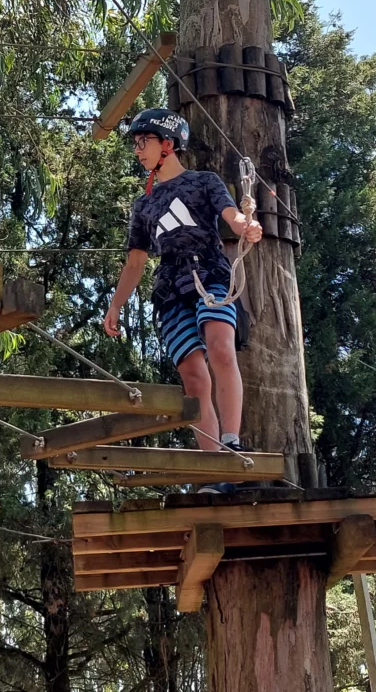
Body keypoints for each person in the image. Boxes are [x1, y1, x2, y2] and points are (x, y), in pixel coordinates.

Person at [102, 109, 262, 494]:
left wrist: (246, 225)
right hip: (170, 290)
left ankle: (232, 440)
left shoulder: (204, 182)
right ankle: (212, 468)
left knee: (221, 347)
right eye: (136, 144)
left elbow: (231, 216)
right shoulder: (145, 205)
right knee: (193, 376)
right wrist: (115, 305)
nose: (138, 151)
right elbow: (136, 261)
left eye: (144, 142)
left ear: (167, 144)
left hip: (210, 275)